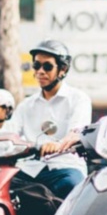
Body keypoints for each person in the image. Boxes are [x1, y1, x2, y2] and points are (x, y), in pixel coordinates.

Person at [11, 39, 93, 199]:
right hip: (30, 169)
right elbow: (8, 133)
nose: (40, 71)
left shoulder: (78, 99)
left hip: (65, 167)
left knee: (71, 186)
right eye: (36, 65)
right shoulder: (26, 105)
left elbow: (76, 131)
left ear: (63, 69)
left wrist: (58, 144)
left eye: (47, 66)